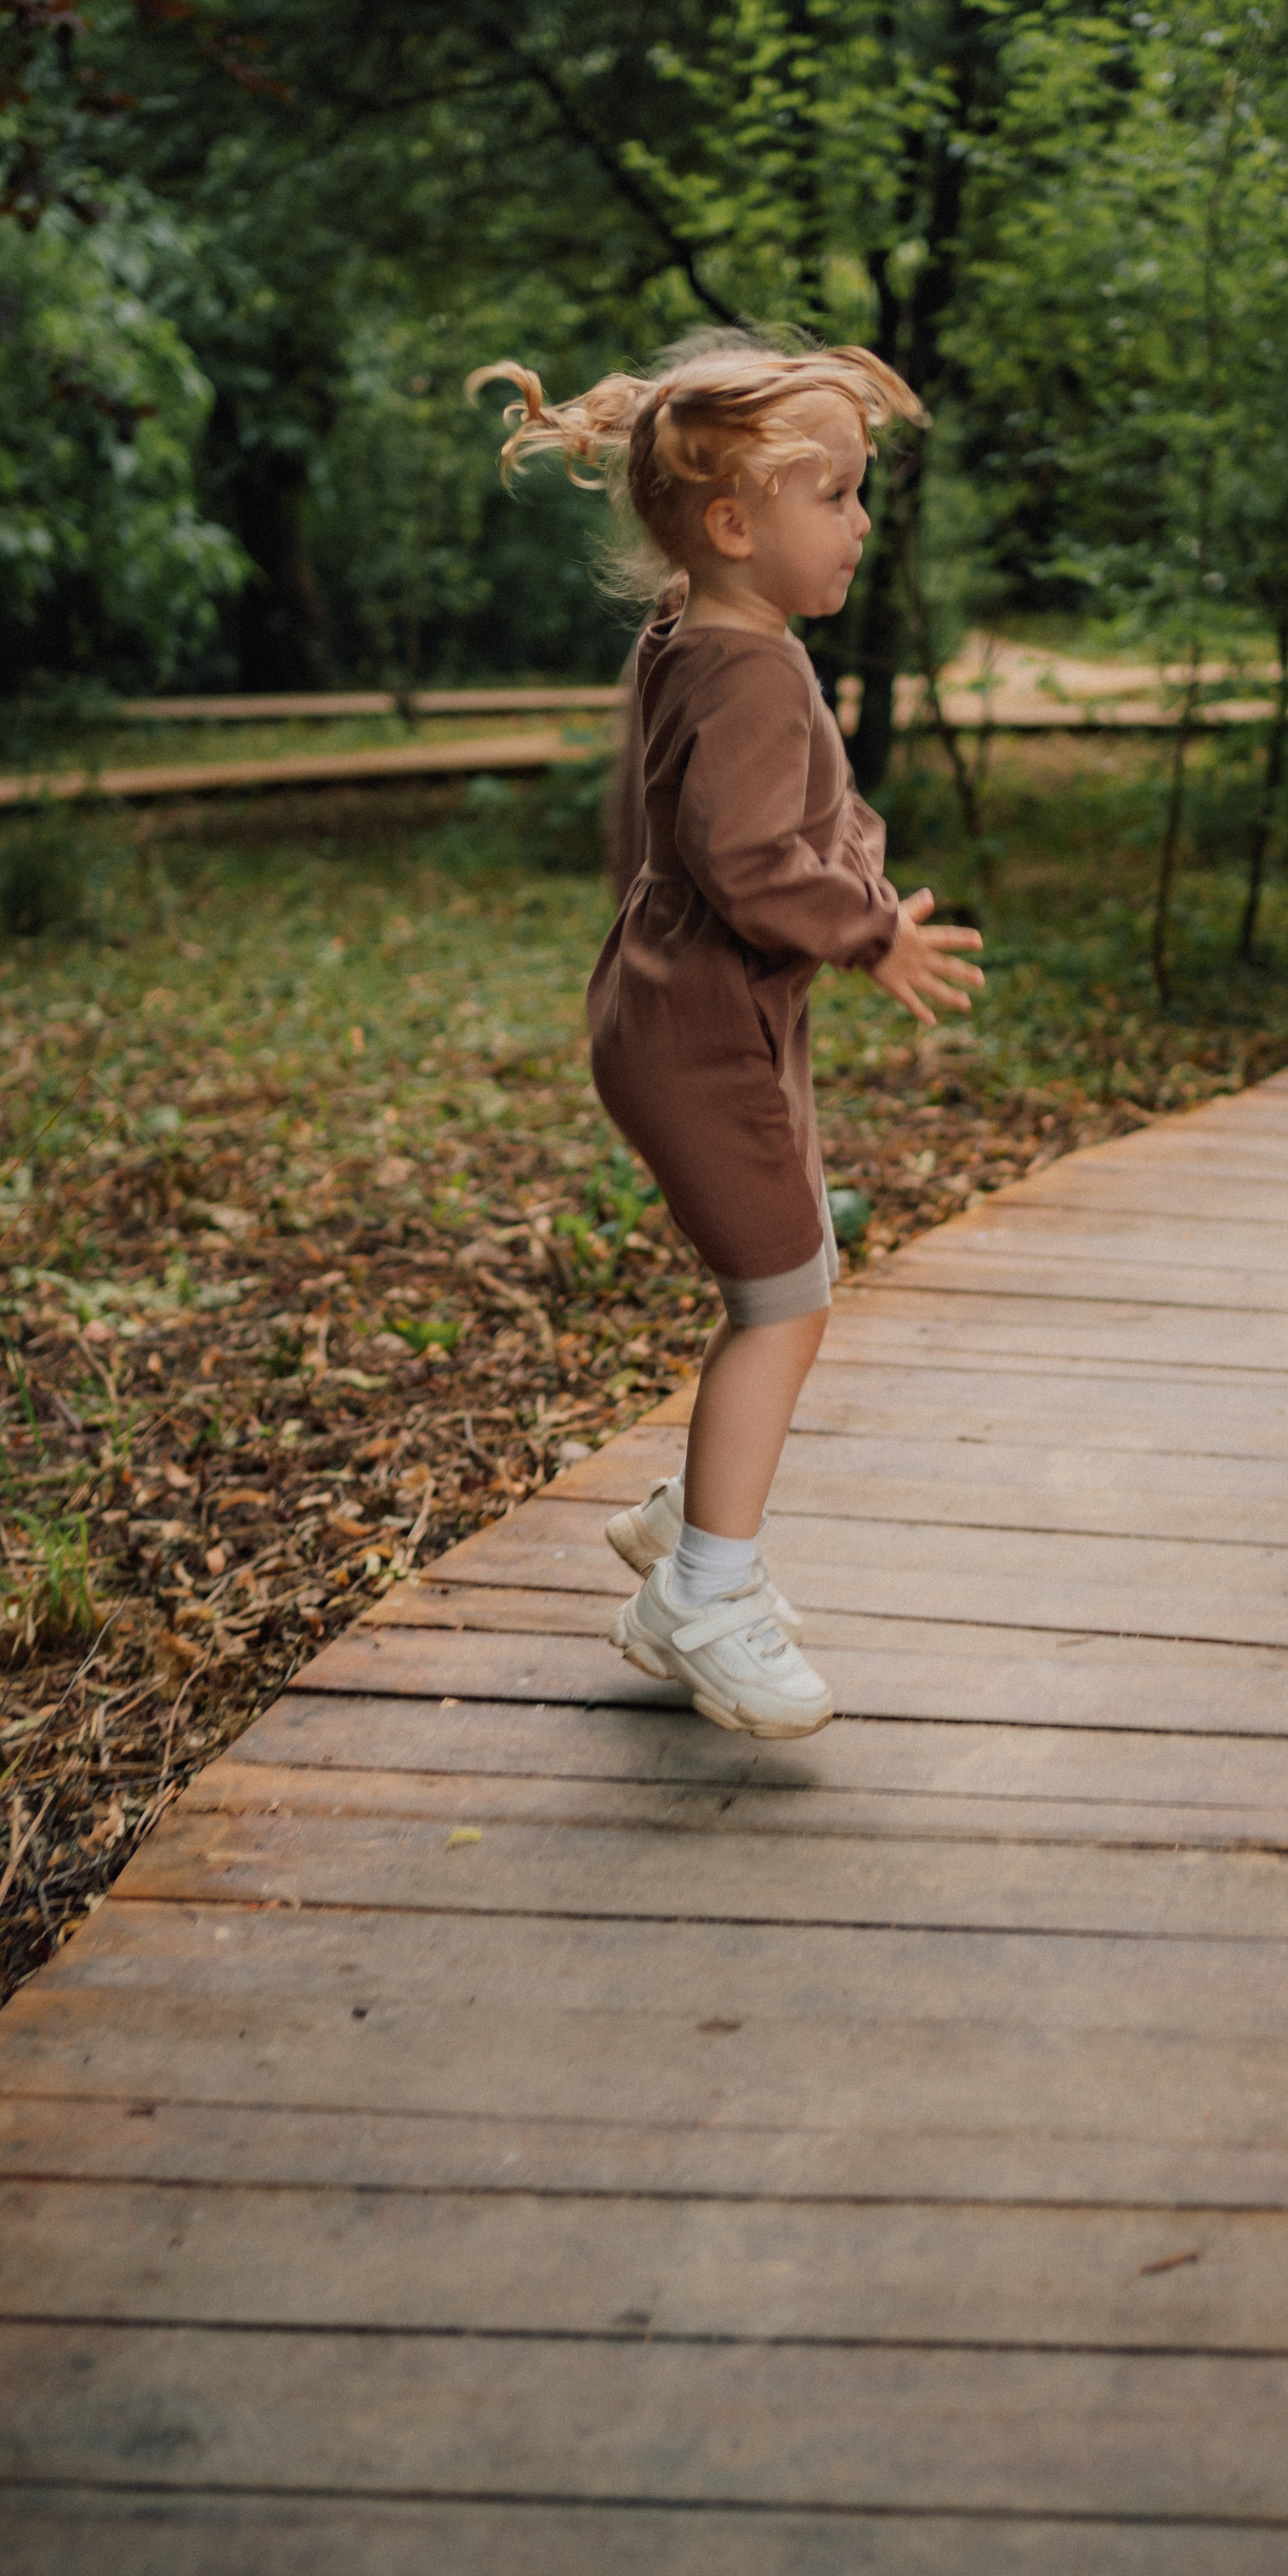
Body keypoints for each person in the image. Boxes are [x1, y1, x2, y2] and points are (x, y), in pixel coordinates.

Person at [473, 336, 984, 1739]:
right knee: (784, 1300)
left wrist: (856, 879)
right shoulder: (755, 674)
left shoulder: (702, 637)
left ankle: (695, 1515)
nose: (863, 522)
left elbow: (758, 822)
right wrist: (872, 932)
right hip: (702, 1034)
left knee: (792, 1269)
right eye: (837, 495)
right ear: (735, 524)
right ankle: (702, 1588)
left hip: (672, 1009)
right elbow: (747, 853)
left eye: (860, 491)